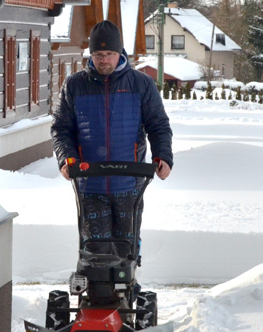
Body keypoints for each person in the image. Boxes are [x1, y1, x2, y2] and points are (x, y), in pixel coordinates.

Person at [51, 20, 173, 256]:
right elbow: (61, 129)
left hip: (129, 183)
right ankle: (94, 292)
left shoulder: (141, 84)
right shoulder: (75, 85)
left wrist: (163, 156)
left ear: (120, 53)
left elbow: (158, 125)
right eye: (98, 54)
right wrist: (66, 159)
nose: (103, 59)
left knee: (126, 252)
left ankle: (127, 289)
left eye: (108, 53)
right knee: (94, 251)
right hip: (89, 182)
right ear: (91, 54)